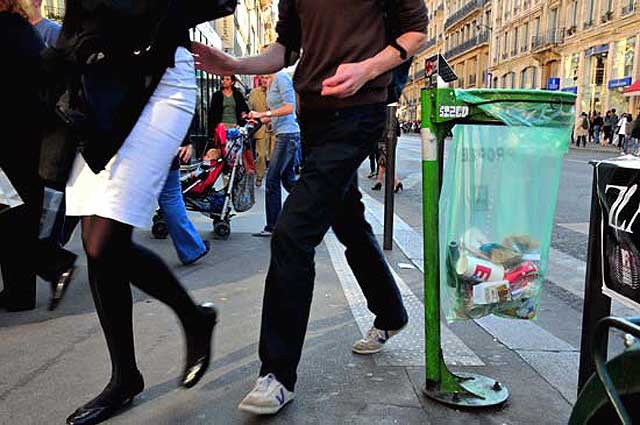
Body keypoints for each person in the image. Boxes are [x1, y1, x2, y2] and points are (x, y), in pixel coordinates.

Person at [193, 0, 427, 415]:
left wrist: (367, 69)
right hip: (314, 119)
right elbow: (285, 49)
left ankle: (277, 375)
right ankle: (391, 311)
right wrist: (233, 62)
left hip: (360, 112)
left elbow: (414, 32)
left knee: (292, 233)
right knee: (348, 220)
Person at [54, 0, 218, 423]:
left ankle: (193, 320)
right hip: (100, 76)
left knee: (103, 238)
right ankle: (124, 376)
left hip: (159, 76)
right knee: (96, 237)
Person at [0, 0, 76, 312]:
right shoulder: (20, 31)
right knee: (14, 216)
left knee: (11, 215)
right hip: (27, 136)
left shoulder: (7, 31)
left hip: (11, 136)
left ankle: (53, 264)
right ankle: (22, 291)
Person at [250, 71, 300, 237]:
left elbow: (289, 107)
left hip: (288, 135)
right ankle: (315, 209)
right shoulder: (271, 82)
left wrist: (264, 114)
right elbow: (276, 112)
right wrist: (259, 120)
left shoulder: (281, 77)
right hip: (283, 133)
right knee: (288, 180)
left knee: (272, 179)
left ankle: (273, 226)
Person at [157, 134, 210, 265]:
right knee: (171, 197)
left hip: (132, 151)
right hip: (164, 146)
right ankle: (191, 249)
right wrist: (185, 140)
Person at [248, 75, 271, 186]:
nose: (264, 80)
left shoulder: (276, 91)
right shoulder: (254, 93)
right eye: (262, 77)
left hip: (276, 127)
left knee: (273, 155)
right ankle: (259, 176)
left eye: (267, 77)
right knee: (261, 154)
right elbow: (250, 110)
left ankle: (275, 176)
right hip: (260, 127)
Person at [372, 117, 403, 192]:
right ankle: (378, 182)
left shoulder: (382, 116)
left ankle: (397, 182)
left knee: (386, 162)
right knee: (383, 162)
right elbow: (398, 132)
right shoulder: (393, 117)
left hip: (383, 141)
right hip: (393, 140)